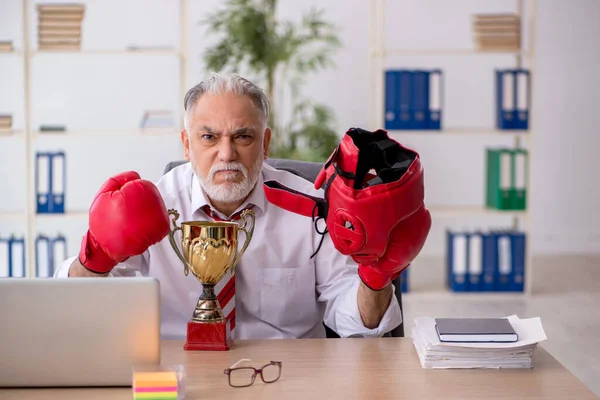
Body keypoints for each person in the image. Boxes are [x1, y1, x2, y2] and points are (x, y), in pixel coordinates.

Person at [54, 73, 405, 340]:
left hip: (286, 380)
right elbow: (74, 309)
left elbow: (358, 326)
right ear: (186, 145)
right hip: (178, 376)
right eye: (209, 137)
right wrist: (96, 257)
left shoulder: (314, 211)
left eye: (243, 136)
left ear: (265, 143)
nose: (226, 154)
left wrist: (376, 277)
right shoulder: (153, 206)